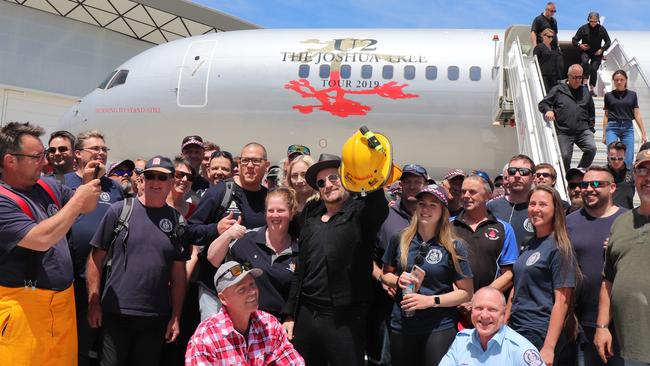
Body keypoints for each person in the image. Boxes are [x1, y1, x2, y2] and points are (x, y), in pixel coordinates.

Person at [0, 122, 101, 365]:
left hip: (62, 303)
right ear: (10, 161)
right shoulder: (3, 201)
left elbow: (88, 207)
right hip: (22, 309)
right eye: (36, 156)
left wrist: (89, 184)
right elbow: (41, 239)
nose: (44, 161)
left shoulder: (49, 186)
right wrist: (78, 200)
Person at [282, 153, 389, 366]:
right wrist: (289, 314)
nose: (328, 185)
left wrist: (372, 161)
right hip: (306, 313)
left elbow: (378, 205)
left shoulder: (360, 214)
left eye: (334, 178)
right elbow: (300, 270)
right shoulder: (310, 218)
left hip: (345, 318)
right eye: (321, 182)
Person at [86, 156, 190, 366]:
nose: (155, 182)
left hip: (155, 316)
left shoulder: (178, 222)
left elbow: (179, 274)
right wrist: (93, 302)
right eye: (150, 176)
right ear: (141, 180)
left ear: (171, 182)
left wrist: (176, 316)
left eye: (162, 177)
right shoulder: (119, 210)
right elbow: (95, 260)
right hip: (116, 313)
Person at [381, 184, 473, 366]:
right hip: (402, 324)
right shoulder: (400, 238)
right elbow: (386, 275)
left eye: (433, 205)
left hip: (439, 326)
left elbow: (466, 293)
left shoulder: (453, 246)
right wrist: (399, 280)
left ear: (443, 211)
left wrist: (431, 301)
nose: (426, 209)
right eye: (422, 203)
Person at [187, 142, 269, 321]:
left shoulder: (269, 198)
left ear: (266, 165)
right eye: (245, 160)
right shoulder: (220, 191)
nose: (249, 166)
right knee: (215, 344)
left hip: (251, 288)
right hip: (215, 288)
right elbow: (190, 230)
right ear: (238, 164)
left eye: (256, 161)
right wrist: (215, 228)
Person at [65, 130, 125, 365]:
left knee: (103, 345)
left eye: (104, 149)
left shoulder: (114, 188)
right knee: (75, 343)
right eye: (95, 148)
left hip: (107, 278)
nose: (101, 152)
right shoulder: (64, 184)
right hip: (71, 279)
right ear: (78, 154)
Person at [507, 185, 577, 366]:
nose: (536, 209)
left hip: (539, 331)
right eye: (532, 204)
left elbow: (562, 302)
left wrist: (548, 347)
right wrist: (504, 321)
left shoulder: (559, 247)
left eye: (543, 205)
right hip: (517, 327)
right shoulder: (528, 243)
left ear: (555, 210)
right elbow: (517, 286)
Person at [185, 261, 304, 365]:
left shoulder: (270, 324)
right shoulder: (206, 337)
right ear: (223, 298)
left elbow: (293, 362)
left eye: (252, 284)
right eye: (241, 289)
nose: (252, 292)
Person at [206, 186, 298, 319]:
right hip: (245, 321)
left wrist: (290, 318)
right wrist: (227, 235)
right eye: (270, 210)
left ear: (292, 213)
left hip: (280, 325)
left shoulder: (299, 249)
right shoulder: (247, 239)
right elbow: (213, 259)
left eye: (281, 210)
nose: (275, 215)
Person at [594, 149, 650, 366]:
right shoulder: (621, 222)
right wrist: (601, 327)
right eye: (642, 169)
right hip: (632, 348)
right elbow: (608, 280)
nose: (647, 177)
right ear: (634, 175)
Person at [567, 166, 626, 366]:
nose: (588, 189)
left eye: (596, 184)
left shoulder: (629, 221)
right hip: (579, 322)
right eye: (584, 184)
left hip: (620, 322)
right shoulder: (570, 222)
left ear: (612, 188)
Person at [372, 163, 428, 365]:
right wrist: (383, 279)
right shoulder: (385, 216)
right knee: (389, 359)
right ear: (401, 185)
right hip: (390, 306)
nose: (413, 186)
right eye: (408, 182)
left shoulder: (434, 216)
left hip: (428, 307)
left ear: (425, 185)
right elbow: (370, 256)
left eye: (418, 182)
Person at [452, 174, 519, 325]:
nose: (466, 196)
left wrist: (479, 299)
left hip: (489, 312)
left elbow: (509, 273)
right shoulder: (447, 226)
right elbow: (441, 269)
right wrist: (460, 296)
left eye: (472, 192)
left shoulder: (504, 228)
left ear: (488, 195)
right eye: (463, 191)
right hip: (452, 309)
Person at [439, 287, 542, 365]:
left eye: (492, 309)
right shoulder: (461, 342)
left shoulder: (520, 350)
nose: (484, 315)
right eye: (479, 308)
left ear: (503, 314)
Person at [539, 64, 596, 170]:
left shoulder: (585, 91)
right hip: (563, 131)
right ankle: (566, 178)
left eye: (580, 77)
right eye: (574, 77)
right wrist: (549, 110)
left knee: (592, 148)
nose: (577, 80)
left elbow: (591, 112)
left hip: (582, 130)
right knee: (565, 156)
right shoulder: (558, 89)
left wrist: (591, 129)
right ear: (568, 76)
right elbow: (543, 104)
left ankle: (579, 172)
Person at [488, 155, 536, 250]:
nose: (517, 176)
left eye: (524, 172)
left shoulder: (539, 209)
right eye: (512, 171)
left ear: (533, 177)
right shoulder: (491, 207)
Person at [603, 70, 648, 167]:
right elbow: (606, 115)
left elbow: (637, 113)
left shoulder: (632, 95)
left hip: (627, 128)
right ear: (613, 81)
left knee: (628, 157)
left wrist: (643, 132)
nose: (619, 82)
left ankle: (627, 180)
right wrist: (604, 135)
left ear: (626, 80)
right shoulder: (608, 96)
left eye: (621, 80)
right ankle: (612, 178)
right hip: (612, 127)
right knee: (612, 155)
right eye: (616, 80)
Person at [572, 12, 611, 94]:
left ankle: (592, 89)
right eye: (591, 21)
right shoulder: (583, 28)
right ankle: (584, 83)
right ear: (588, 20)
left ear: (598, 21)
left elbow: (608, 41)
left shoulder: (601, 29)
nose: (593, 23)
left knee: (593, 69)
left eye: (595, 21)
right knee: (585, 63)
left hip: (597, 53)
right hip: (585, 52)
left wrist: (602, 49)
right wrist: (580, 45)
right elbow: (574, 40)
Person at [607, 142, 636, 209]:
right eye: (613, 158)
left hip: (627, 214)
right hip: (607, 214)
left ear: (625, 156)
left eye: (620, 158)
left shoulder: (633, 171)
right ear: (608, 155)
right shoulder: (603, 172)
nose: (616, 161)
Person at [534, 28, 562, 93]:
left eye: (552, 37)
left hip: (554, 76)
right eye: (549, 36)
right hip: (543, 75)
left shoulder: (553, 48)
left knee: (554, 94)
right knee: (546, 93)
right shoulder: (539, 47)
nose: (551, 38)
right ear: (543, 36)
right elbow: (535, 61)